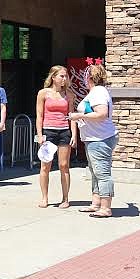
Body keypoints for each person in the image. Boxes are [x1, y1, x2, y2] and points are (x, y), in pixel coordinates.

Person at [69, 64, 118, 218]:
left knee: (102, 173)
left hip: (100, 139)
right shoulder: (98, 92)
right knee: (95, 172)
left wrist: (78, 116)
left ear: (89, 77)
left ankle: (105, 207)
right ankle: (96, 203)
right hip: (95, 138)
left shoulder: (98, 92)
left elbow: (102, 113)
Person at [35, 65, 78, 208]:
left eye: (66, 76)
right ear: (53, 77)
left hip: (64, 131)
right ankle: (44, 197)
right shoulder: (43, 93)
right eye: (61, 76)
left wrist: (74, 134)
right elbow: (39, 115)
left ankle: (65, 198)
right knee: (45, 166)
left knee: (64, 165)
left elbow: (71, 116)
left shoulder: (69, 94)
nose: (64, 79)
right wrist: (40, 135)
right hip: (48, 131)